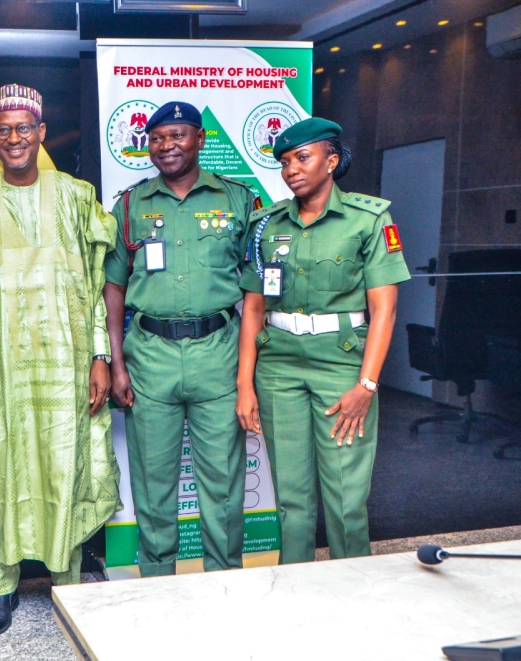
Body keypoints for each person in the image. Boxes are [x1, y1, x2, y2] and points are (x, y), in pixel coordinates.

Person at [0, 84, 121, 635]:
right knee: (1, 475)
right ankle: (3, 586)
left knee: (67, 465)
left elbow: (93, 286)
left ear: (41, 132)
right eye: (2, 130)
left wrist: (100, 358)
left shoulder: (78, 197)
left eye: (23, 128)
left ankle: (68, 585)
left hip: (68, 361)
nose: (13, 138)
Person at [236, 118, 410, 564]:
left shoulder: (368, 220)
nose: (291, 168)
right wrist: (245, 385)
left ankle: (353, 593)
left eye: (302, 157)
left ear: (331, 161)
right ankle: (296, 593)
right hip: (280, 370)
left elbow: (384, 310)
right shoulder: (266, 225)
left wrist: (366, 386)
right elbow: (254, 308)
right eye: (285, 161)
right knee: (292, 502)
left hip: (341, 368)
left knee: (346, 499)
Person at [103, 102, 254, 578]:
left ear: (200, 139)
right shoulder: (130, 205)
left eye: (177, 135)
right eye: (157, 137)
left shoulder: (238, 200)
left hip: (218, 352)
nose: (166, 146)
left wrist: (249, 369)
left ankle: (225, 577)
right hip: (150, 354)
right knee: (153, 479)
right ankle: (157, 581)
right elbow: (113, 289)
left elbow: (256, 289)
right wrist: (116, 363)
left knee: (223, 481)